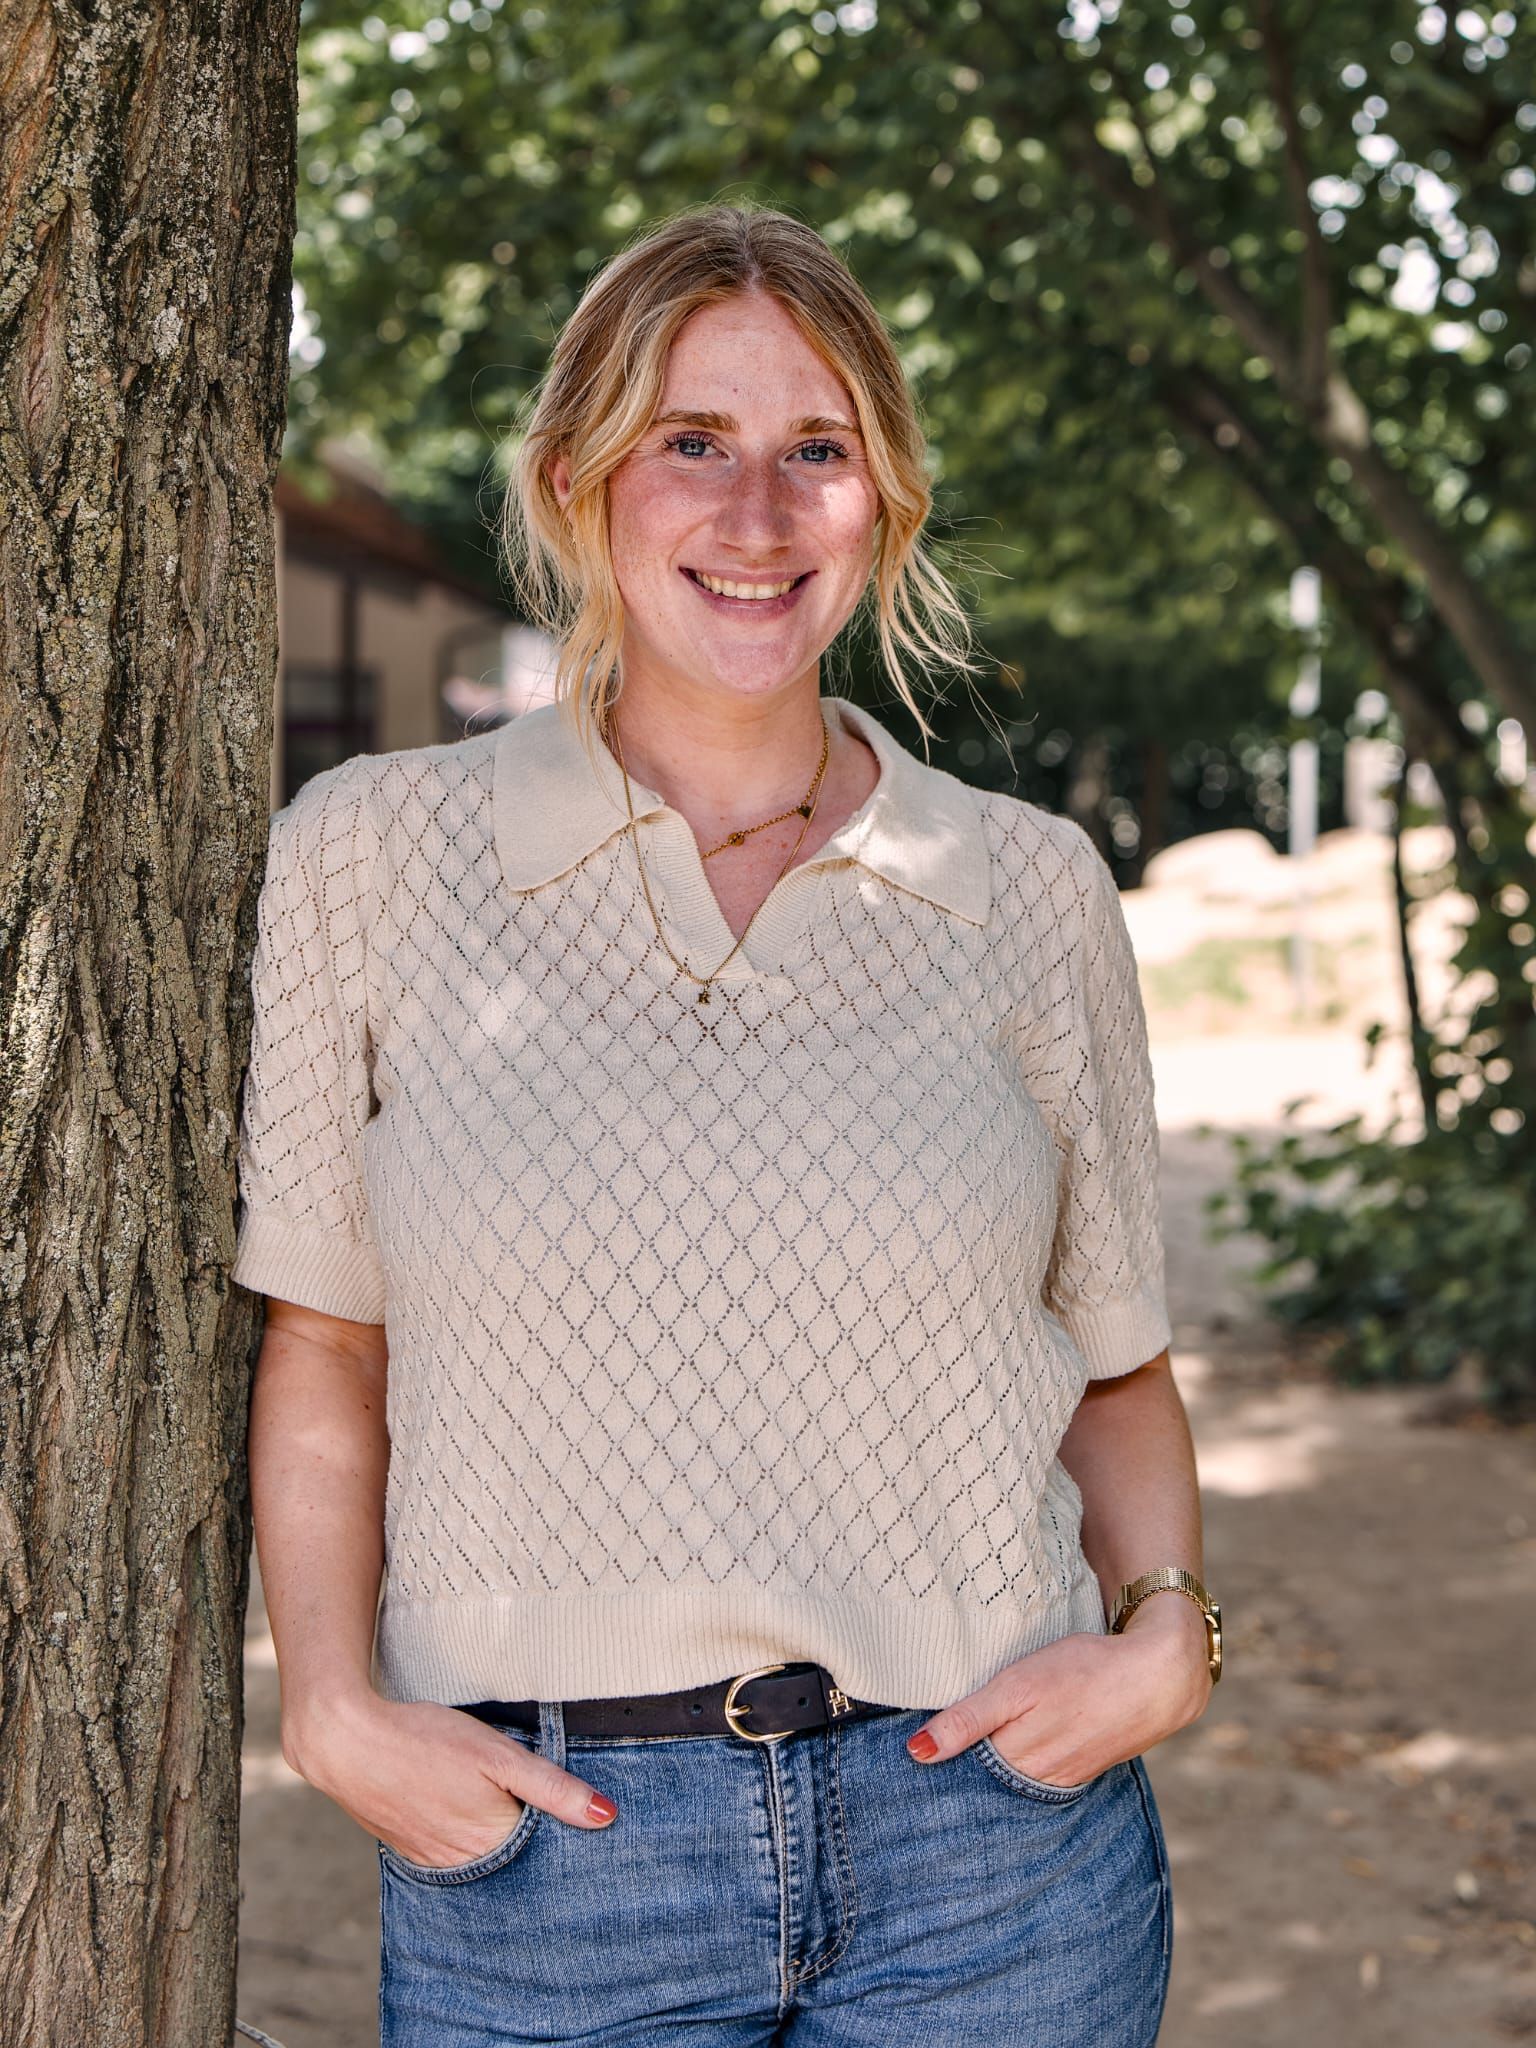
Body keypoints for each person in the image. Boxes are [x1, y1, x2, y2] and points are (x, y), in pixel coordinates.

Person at [235, 202, 1221, 2048]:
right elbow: (325, 1346)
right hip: (548, 1863)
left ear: (887, 503)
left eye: (816, 451)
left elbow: (1115, 1366)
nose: (758, 515)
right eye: (692, 441)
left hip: (996, 1855)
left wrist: (1170, 1628)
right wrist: (334, 1709)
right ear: (576, 479)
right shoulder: (372, 854)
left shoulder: (1028, 887)